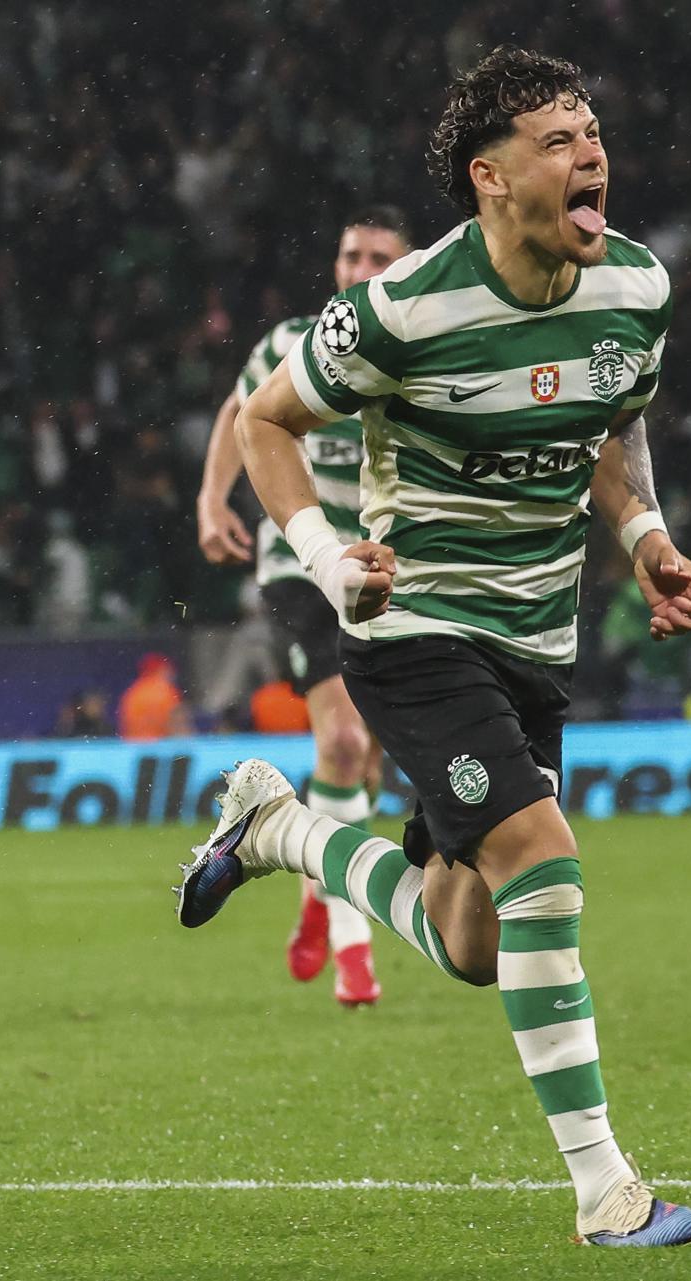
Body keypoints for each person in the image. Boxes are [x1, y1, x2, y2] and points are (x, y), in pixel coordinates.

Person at [178, 49, 691, 1247]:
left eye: (594, 132)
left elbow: (610, 426)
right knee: (545, 861)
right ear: (491, 175)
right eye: (560, 138)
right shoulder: (401, 309)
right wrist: (325, 560)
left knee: (474, 939)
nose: (592, 155)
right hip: (414, 625)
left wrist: (646, 538)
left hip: (538, 636)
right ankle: (606, 1193)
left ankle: (278, 830)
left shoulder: (637, 290)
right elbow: (267, 419)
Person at [196, 206, 411, 1008]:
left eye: (378, 256)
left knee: (363, 762)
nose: (360, 267)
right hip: (301, 562)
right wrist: (212, 501)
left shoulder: (421, 350)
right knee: (346, 740)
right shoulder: (293, 340)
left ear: (404, 267)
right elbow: (237, 411)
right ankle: (356, 953)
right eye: (350, 252)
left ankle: (315, 887)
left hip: (391, 571)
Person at [118, 653, 184, 742]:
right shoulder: (166, 691)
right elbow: (178, 726)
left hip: (134, 747)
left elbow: (124, 725)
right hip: (161, 747)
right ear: (161, 670)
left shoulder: (133, 692)